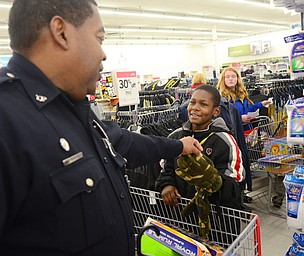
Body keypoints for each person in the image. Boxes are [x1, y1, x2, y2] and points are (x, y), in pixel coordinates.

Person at [0, 1, 203, 255]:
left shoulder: (73, 109)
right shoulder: (7, 121)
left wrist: (177, 146)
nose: (103, 55)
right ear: (61, 32)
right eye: (99, 38)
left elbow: (126, 143)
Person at [155, 85, 244, 210]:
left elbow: (235, 183)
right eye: (192, 102)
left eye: (203, 105)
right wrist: (166, 185)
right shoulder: (175, 137)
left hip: (217, 218)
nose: (195, 108)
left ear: (216, 111)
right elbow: (166, 168)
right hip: (180, 215)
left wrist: (210, 177)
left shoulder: (225, 141)